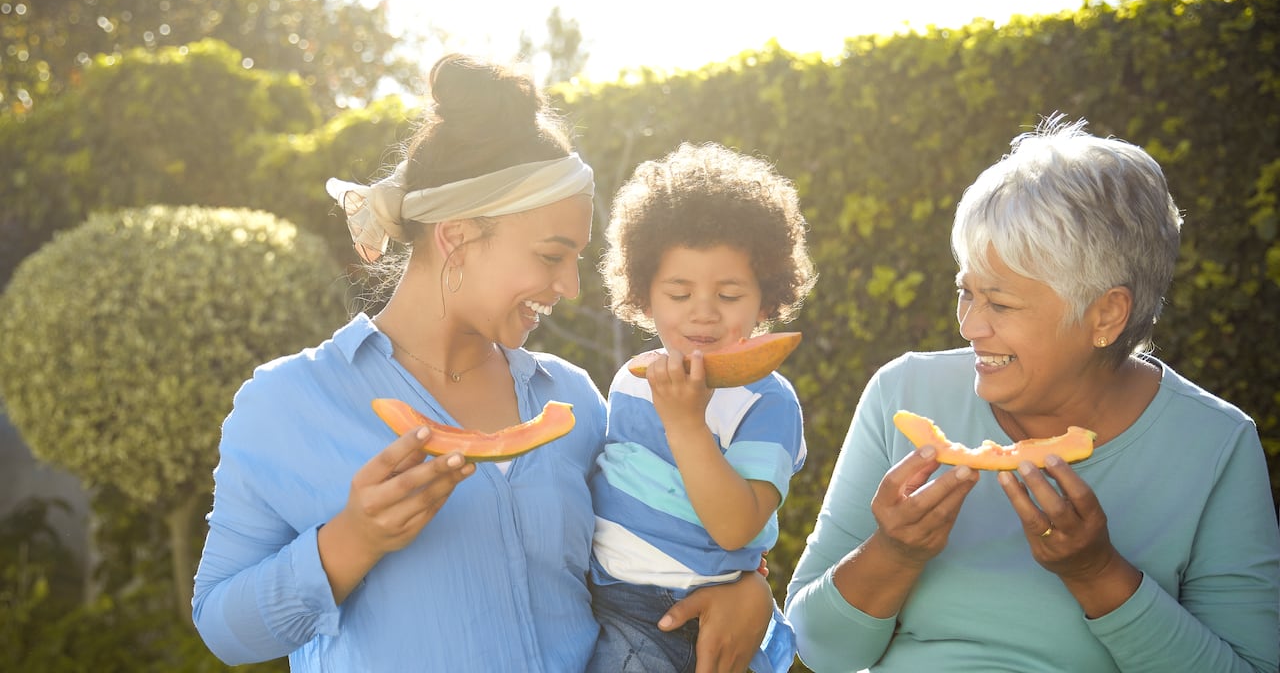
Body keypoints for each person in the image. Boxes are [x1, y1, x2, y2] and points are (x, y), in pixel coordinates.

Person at [191, 54, 776, 673]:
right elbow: (224, 630)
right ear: (457, 238)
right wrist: (350, 542)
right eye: (553, 255)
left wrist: (749, 591)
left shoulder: (573, 399)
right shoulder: (286, 403)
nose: (571, 286)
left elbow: (663, 540)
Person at [784, 115, 1280, 672]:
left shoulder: (1214, 444)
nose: (970, 325)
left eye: (1000, 303)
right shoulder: (903, 391)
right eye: (965, 292)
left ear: (1106, 314)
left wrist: (1097, 575)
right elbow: (812, 649)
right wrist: (893, 554)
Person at [587, 142, 818, 673]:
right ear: (645, 298)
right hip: (611, 600)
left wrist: (687, 424)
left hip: (697, 615)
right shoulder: (630, 381)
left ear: (766, 300)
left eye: (730, 294)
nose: (703, 313)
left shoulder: (768, 401)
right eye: (679, 292)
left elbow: (736, 529)